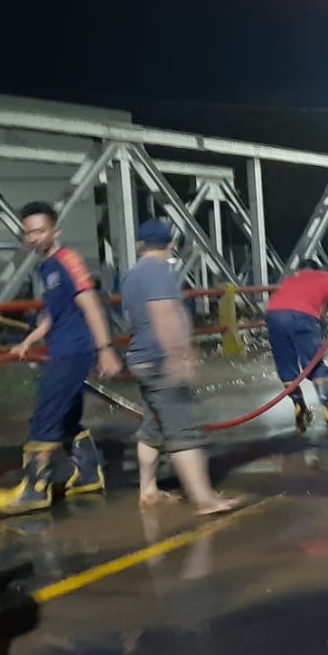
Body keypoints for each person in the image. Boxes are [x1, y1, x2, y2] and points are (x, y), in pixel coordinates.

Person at [0, 202, 123, 514]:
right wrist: (28, 341)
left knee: (44, 417)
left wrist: (105, 350)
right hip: (61, 348)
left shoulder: (68, 261)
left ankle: (34, 490)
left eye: (40, 230)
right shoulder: (46, 266)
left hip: (73, 351)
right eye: (29, 233)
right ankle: (88, 474)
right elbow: (52, 315)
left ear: (55, 231)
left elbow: (90, 304)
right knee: (65, 417)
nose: (34, 237)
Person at [121, 220, 237, 515]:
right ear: (170, 245)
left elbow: (129, 318)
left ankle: (148, 489)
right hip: (161, 359)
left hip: (140, 357)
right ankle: (204, 499)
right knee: (183, 428)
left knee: (153, 427)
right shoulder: (159, 272)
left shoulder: (132, 275)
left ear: (139, 245)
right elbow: (164, 315)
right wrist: (180, 356)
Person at [265, 259, 328, 430]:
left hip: (273, 316)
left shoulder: (290, 280)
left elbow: (320, 314)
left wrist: (323, 328)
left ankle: (300, 407)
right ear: (317, 269)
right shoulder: (327, 278)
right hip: (301, 317)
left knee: (286, 364)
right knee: (314, 362)